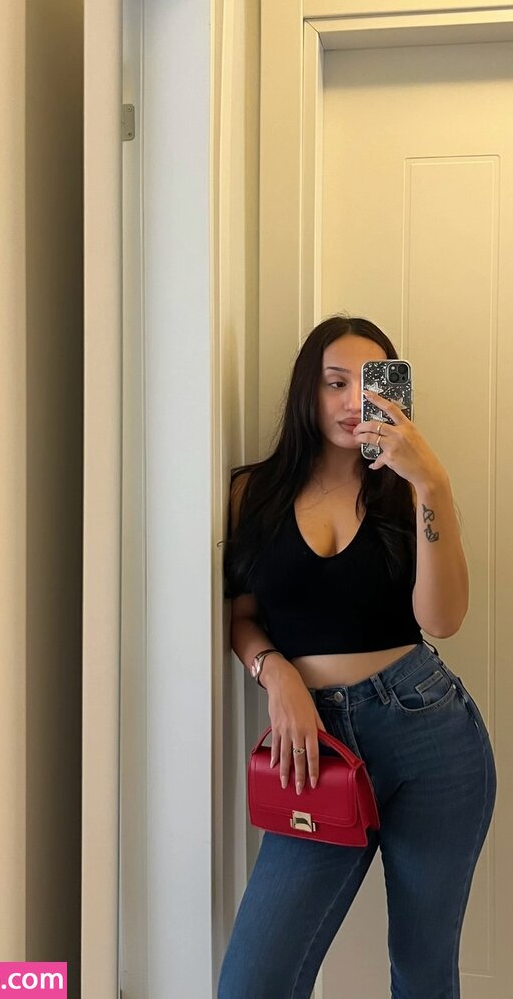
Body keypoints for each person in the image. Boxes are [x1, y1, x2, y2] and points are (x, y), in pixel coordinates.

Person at [217, 314, 497, 999]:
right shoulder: (254, 493)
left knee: (423, 969)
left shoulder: (407, 491)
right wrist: (276, 673)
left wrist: (432, 484)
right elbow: (240, 616)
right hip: (312, 746)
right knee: (254, 982)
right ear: (306, 393)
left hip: (431, 734)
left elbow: (443, 620)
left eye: (371, 384)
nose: (352, 402)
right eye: (335, 383)